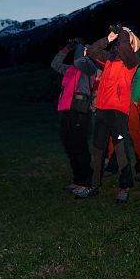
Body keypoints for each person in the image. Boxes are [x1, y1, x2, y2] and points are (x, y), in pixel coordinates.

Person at [86, 25, 140, 203]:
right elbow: (92, 51)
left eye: (123, 39)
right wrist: (109, 38)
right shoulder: (109, 59)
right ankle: (93, 184)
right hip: (102, 110)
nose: (119, 43)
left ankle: (124, 187)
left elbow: (125, 47)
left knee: (121, 150)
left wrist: (125, 32)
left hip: (118, 112)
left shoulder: (133, 60)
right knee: (97, 149)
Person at [51, 38, 97, 195]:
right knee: (70, 147)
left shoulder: (90, 68)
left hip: (79, 111)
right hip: (65, 110)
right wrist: (66, 48)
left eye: (86, 50)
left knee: (80, 147)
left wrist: (80, 47)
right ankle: (78, 180)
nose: (82, 51)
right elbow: (54, 64)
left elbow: (79, 60)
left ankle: (87, 183)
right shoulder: (69, 69)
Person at [105, 50, 140, 181]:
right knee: (115, 134)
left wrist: (135, 98)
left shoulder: (139, 55)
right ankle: (113, 165)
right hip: (116, 101)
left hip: (132, 101)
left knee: (136, 134)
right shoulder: (117, 55)